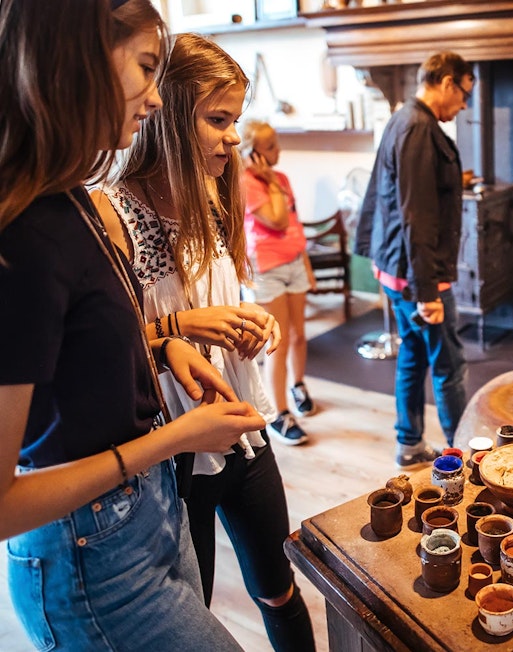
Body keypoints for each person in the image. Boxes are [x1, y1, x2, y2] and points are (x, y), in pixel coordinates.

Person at [0, 2, 265, 650]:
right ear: (78, 62)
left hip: (146, 512)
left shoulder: (74, 204)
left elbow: (68, 354)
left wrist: (165, 343)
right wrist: (171, 439)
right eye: (146, 69)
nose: (153, 96)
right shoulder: (25, 239)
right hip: (88, 551)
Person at [92, 33, 315, 651]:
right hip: (174, 452)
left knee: (279, 586)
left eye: (236, 120)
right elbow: (99, 349)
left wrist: (249, 319)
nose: (234, 137)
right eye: (218, 120)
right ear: (165, 117)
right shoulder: (112, 215)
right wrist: (181, 328)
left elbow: (218, 291)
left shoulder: (213, 195)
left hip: (243, 429)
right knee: (198, 606)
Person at [354, 51, 474, 467]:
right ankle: (461, 456)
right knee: (450, 366)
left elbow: (384, 195)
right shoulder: (418, 128)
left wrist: (378, 256)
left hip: (398, 269)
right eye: (464, 94)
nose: (463, 104)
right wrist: (427, 292)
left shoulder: (402, 119)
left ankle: (409, 444)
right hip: (420, 278)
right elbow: (416, 214)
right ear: (446, 82)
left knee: (413, 355)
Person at [238, 119, 316, 446]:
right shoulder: (246, 182)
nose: (278, 150)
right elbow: (278, 219)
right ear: (253, 152)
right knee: (279, 343)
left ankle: (298, 385)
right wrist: (269, 181)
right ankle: (279, 414)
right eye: (270, 146)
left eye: (276, 143)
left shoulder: (281, 178)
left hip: (295, 262)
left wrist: (307, 266)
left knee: (299, 334)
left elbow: (293, 224)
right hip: (267, 268)